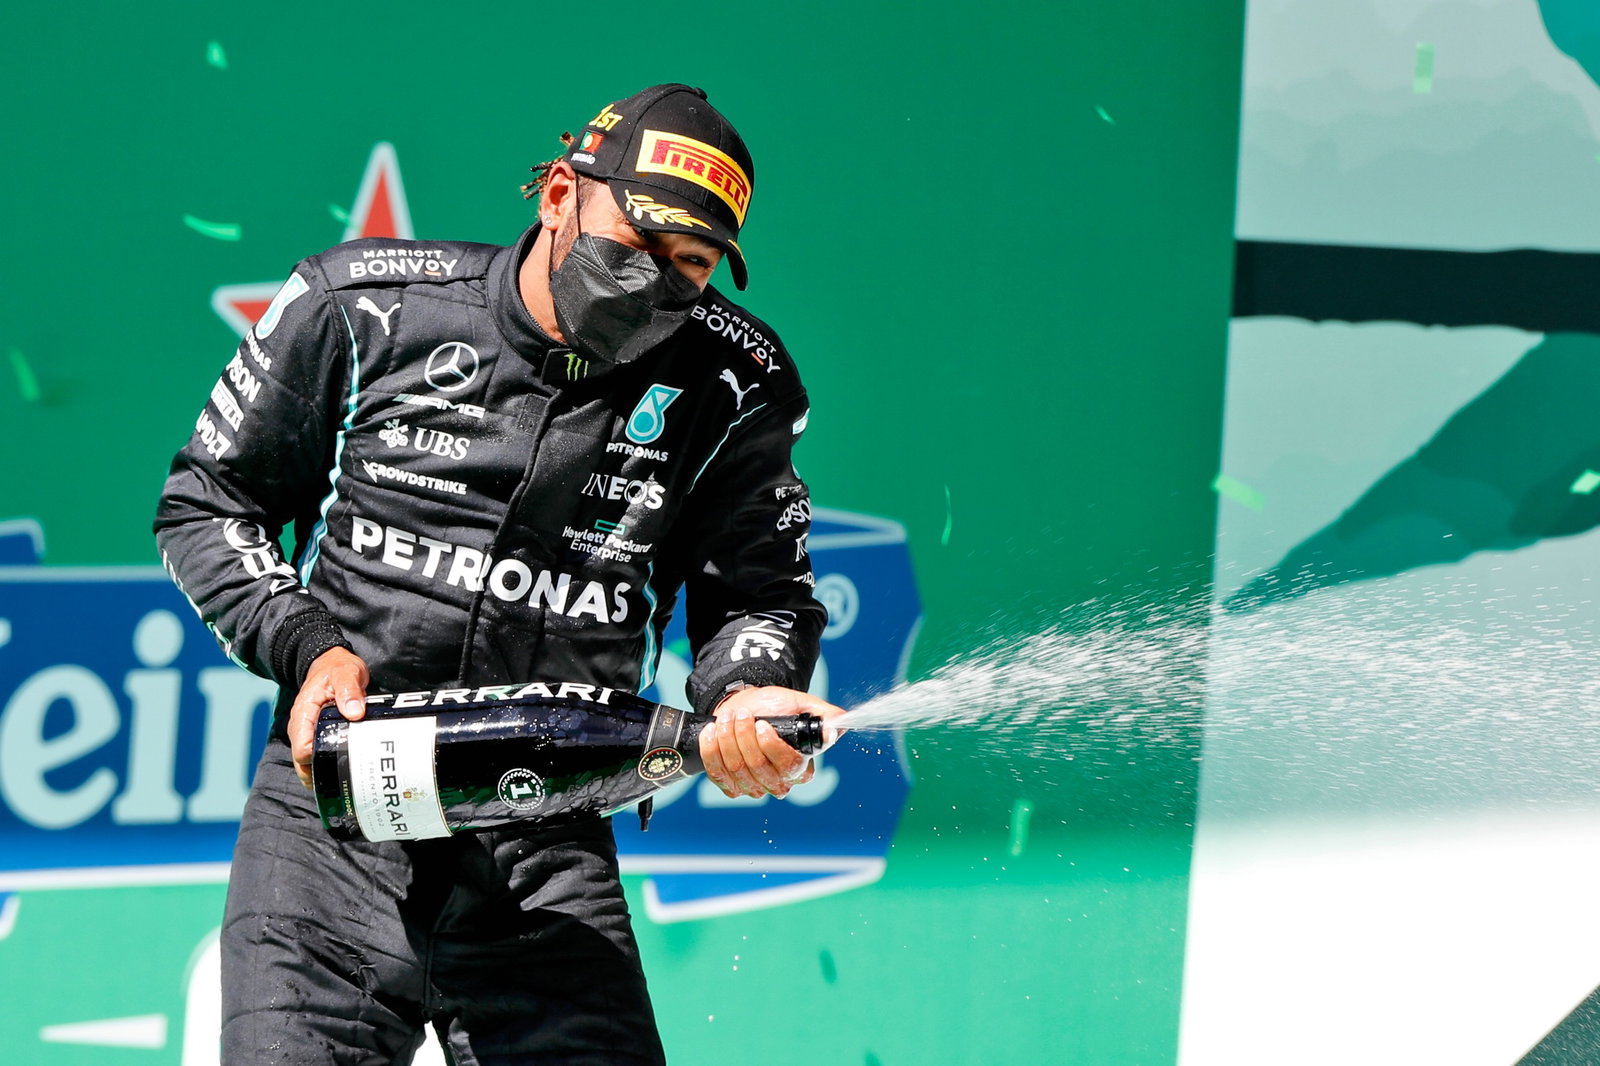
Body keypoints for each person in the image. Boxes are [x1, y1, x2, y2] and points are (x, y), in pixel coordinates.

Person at [155, 83, 836, 1065]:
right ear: (560, 193)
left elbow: (760, 594)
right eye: (639, 244)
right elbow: (209, 502)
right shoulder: (363, 306)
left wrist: (744, 689)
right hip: (332, 824)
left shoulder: (734, 384)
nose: (657, 285)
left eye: (691, 266)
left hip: (547, 845)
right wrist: (309, 650)